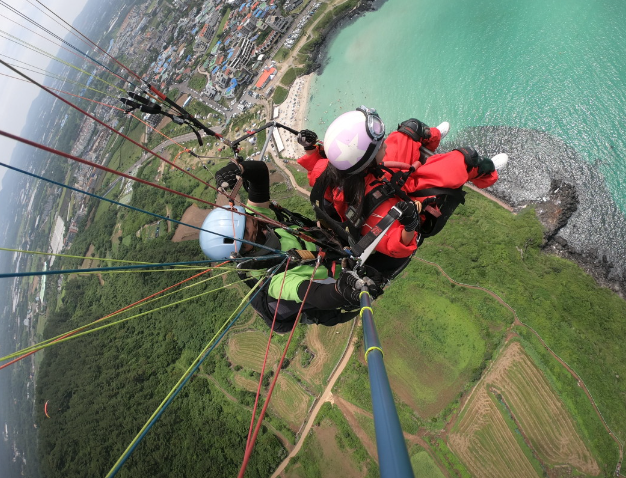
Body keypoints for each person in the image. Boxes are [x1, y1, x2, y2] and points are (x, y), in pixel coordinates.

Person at [296, 106, 505, 278]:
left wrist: (312, 149)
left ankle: (435, 136)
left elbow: (320, 164)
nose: (384, 144)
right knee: (465, 159)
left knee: (411, 128)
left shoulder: (332, 170)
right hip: (403, 202)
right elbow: (398, 245)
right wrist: (410, 222)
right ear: (366, 159)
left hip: (382, 178)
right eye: (380, 145)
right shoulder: (374, 216)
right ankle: (488, 174)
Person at [199, 160, 384, 334]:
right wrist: (344, 289)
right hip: (341, 276)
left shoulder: (256, 217)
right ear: (242, 253)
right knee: (386, 265)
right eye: (251, 235)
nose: (259, 227)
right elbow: (315, 294)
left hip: (329, 245)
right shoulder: (273, 279)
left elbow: (260, 175)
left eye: (250, 220)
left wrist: (239, 168)